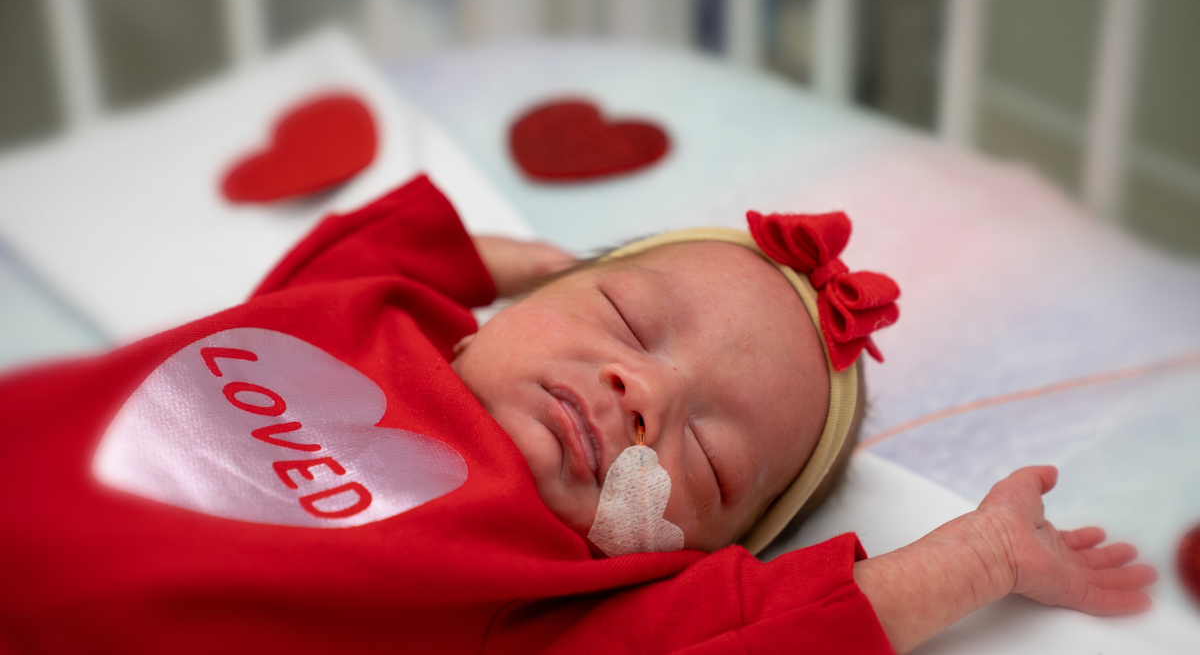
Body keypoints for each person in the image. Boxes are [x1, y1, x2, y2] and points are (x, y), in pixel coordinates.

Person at [0, 175, 1154, 654]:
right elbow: (352, 252)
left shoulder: (543, 591)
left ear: (678, 557)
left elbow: (761, 630)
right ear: (497, 311)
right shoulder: (377, 311)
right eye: (621, 315)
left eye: (702, 450)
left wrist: (982, 553)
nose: (642, 389)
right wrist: (501, 257)